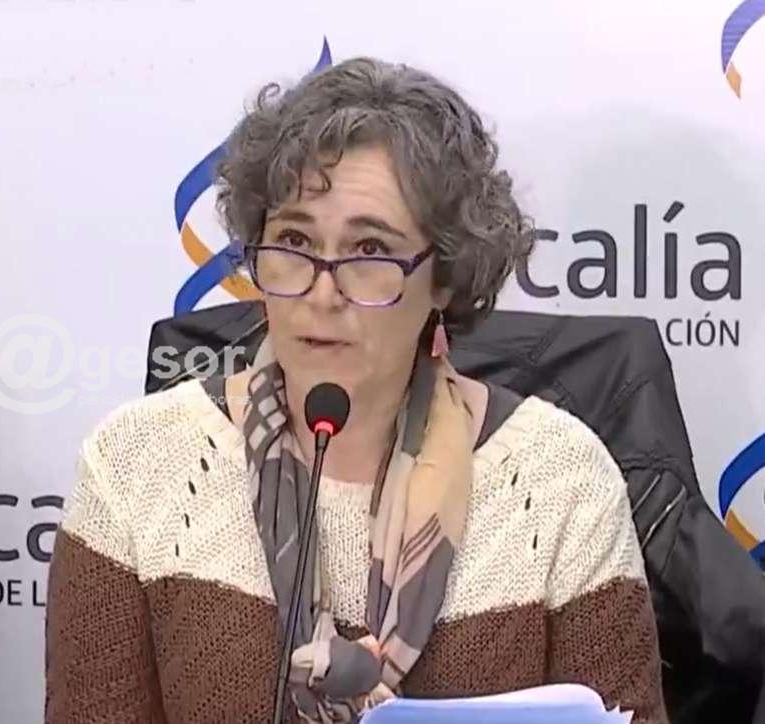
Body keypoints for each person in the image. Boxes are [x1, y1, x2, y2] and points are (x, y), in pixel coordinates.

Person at [45, 57, 666, 723]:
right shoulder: (135, 465)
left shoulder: (562, 479)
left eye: (369, 251)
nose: (321, 292)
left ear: (445, 277)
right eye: (293, 241)